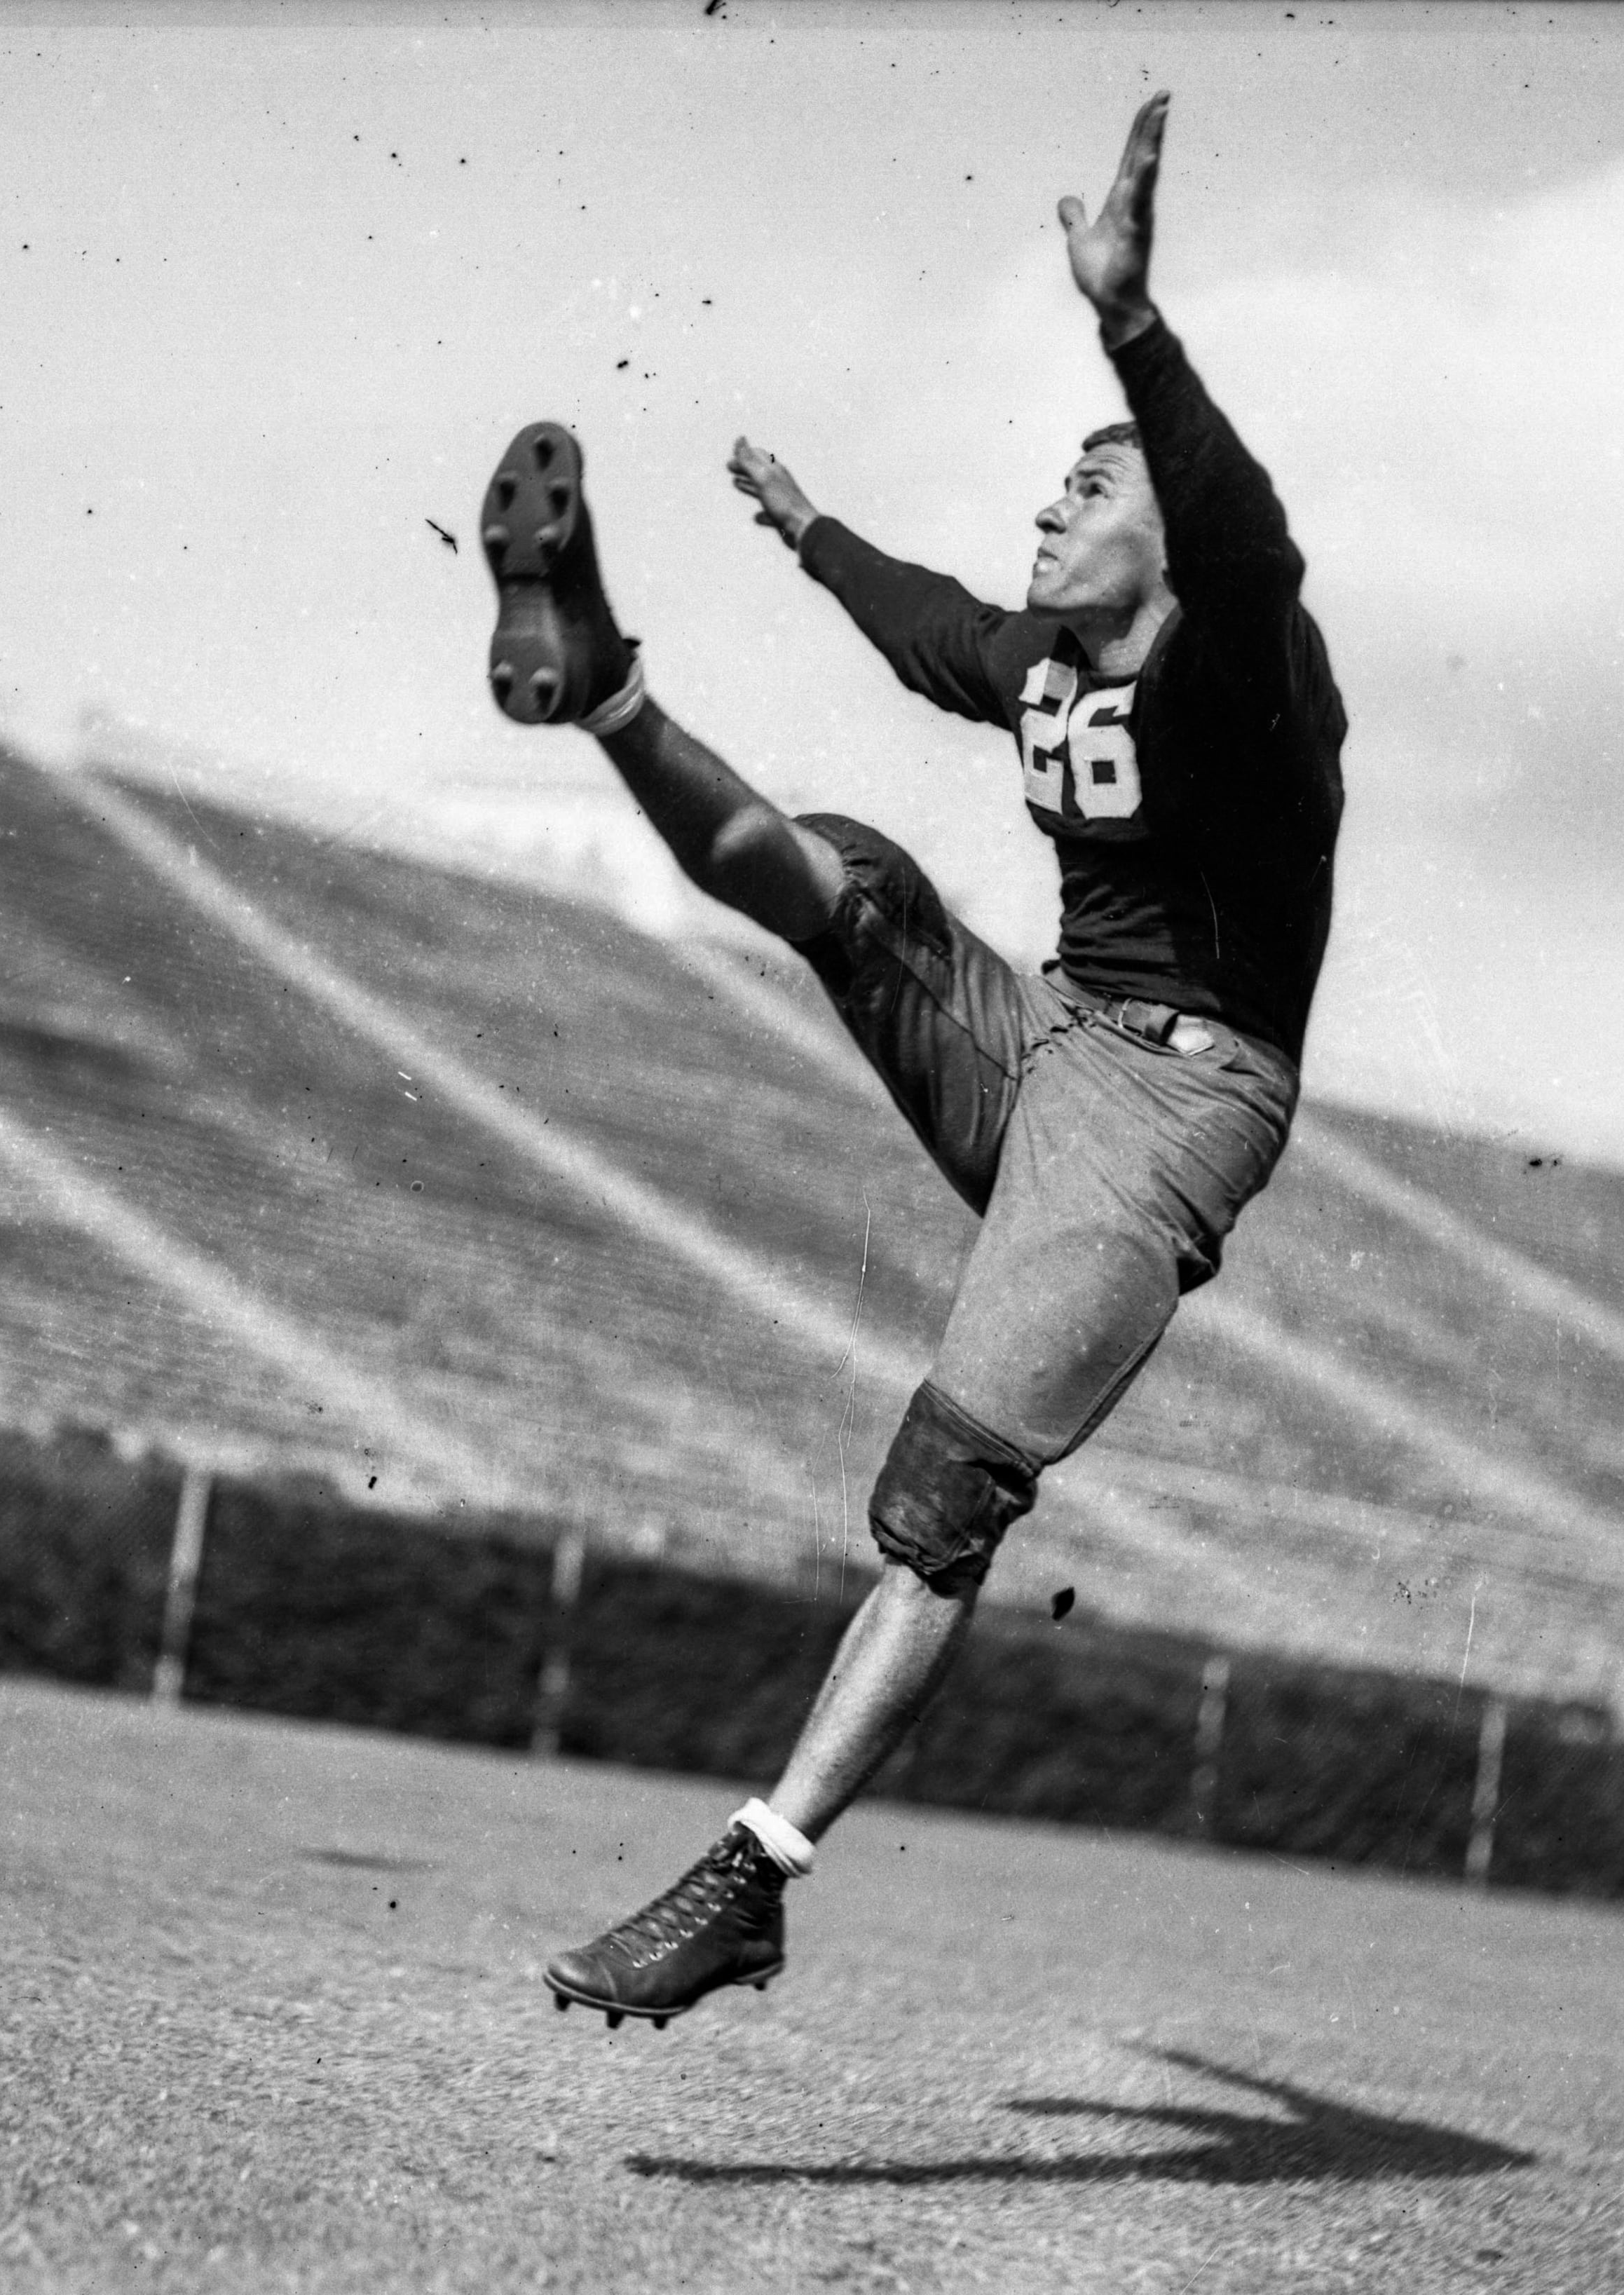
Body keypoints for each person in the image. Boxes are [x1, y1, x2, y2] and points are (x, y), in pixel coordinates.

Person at [479, 93, 1347, 2029]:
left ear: (1169, 546)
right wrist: (805, 535)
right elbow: (933, 631)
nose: (1051, 507)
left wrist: (1131, 328)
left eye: (1088, 487)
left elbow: (1248, 530)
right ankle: (608, 684)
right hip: (1046, 1043)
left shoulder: (1241, 678)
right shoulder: (1051, 657)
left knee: (946, 1499)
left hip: (1177, 1108)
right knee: (848, 882)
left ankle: (758, 1870)